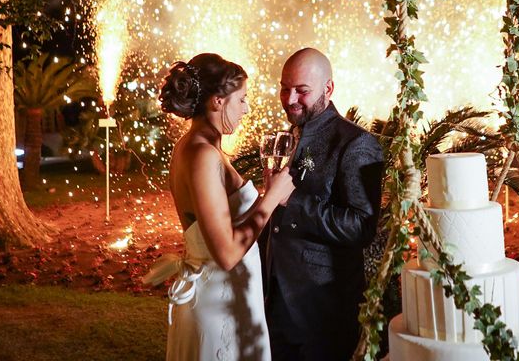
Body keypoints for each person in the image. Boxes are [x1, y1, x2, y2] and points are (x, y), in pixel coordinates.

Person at [147, 53, 294, 361]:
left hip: (231, 298)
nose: (246, 109)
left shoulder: (205, 148)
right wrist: (271, 196)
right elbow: (226, 254)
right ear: (217, 101)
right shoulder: (202, 155)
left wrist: (269, 190)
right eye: (241, 100)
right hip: (218, 307)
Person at [262, 48, 384, 361]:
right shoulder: (288, 136)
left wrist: (290, 199)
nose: (290, 100)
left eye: (302, 91)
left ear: (328, 89)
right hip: (274, 296)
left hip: (321, 307)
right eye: (284, 89)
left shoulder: (357, 143)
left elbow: (362, 227)